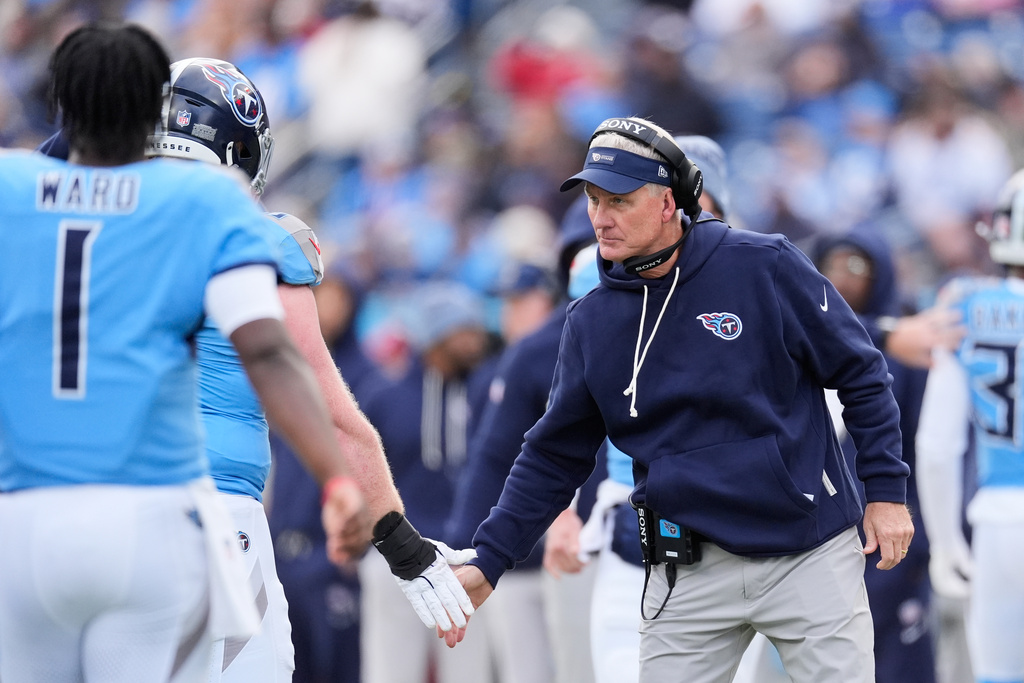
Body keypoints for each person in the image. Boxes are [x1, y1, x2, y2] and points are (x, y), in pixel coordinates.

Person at [36, 54, 477, 681]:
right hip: (208, 522)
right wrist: (403, 547)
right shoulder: (256, 241)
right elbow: (334, 418)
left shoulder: (71, 224)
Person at [453, 116, 915, 682]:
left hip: (808, 551)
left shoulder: (764, 264)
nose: (601, 216)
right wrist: (491, 558)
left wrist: (887, 492)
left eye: (619, 200)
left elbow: (862, 371)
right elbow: (553, 454)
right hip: (688, 569)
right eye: (594, 200)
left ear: (669, 202)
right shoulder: (591, 320)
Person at [0, 23, 366, 682]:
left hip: (23, 516)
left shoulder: (12, 188)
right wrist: (335, 476)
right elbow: (269, 351)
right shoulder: (203, 201)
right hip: (149, 512)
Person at [814, 229, 937, 683]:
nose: (841, 278)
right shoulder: (803, 347)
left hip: (893, 537)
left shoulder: (907, 349)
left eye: (857, 267)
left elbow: (928, 448)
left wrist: (928, 535)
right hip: (824, 541)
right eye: (832, 266)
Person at [916, 168, 1024, 683]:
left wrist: (944, 542)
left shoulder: (967, 304)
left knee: (999, 672)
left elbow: (937, 447)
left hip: (999, 519)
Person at [358, 281, 496, 683]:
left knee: (470, 674)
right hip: (394, 555)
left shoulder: (489, 393)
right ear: (433, 337)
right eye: (463, 331)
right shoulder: (384, 396)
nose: (474, 341)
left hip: (467, 557)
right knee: (390, 671)